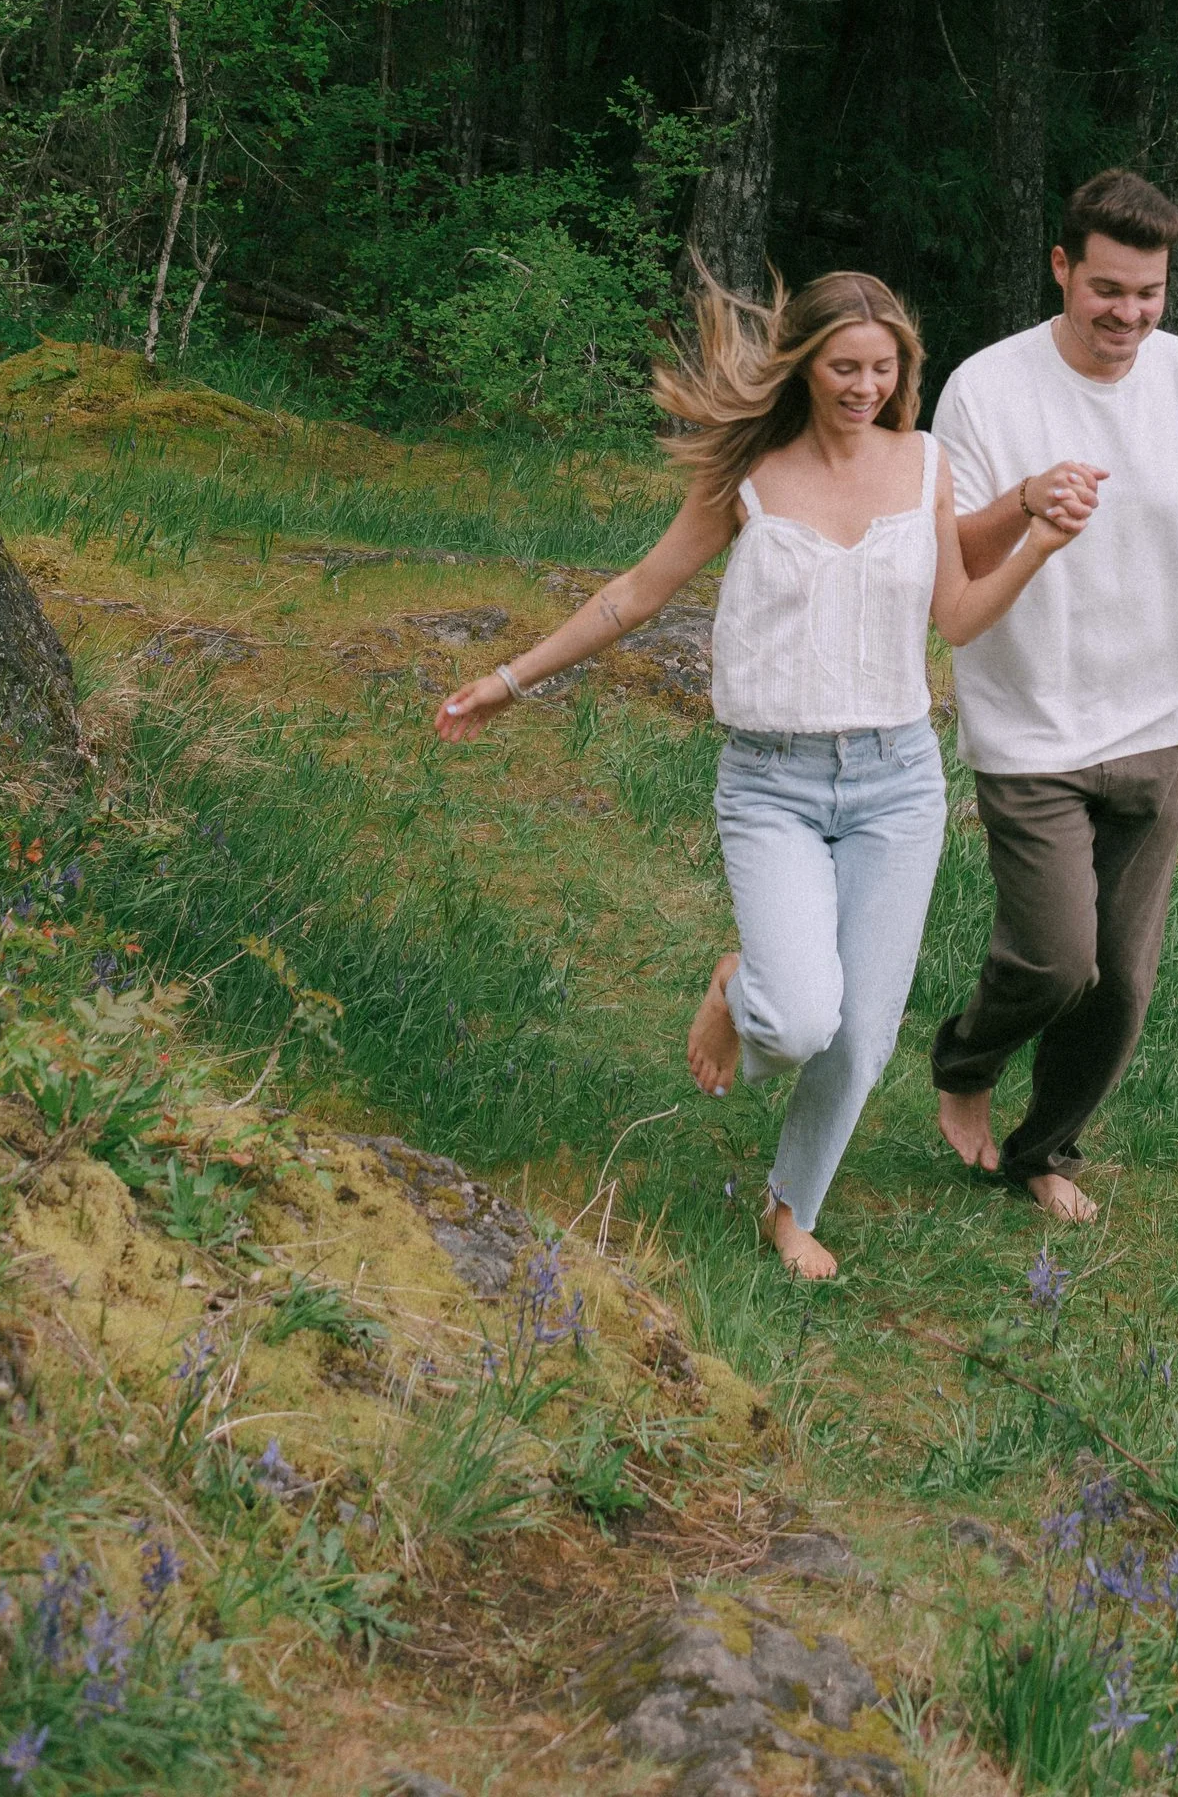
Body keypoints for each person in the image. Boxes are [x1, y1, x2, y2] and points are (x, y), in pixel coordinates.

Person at [436, 269, 1090, 1283]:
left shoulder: (926, 466)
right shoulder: (746, 472)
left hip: (896, 783)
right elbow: (637, 593)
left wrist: (1039, 542)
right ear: (803, 363)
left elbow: (955, 619)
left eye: (882, 368)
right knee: (795, 1020)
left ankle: (790, 1207)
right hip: (773, 782)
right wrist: (508, 679)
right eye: (843, 366)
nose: (863, 385)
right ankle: (743, 988)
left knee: (860, 1038)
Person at [928, 166, 1178, 1224]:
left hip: (1159, 725)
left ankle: (1042, 1149)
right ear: (1061, 267)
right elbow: (948, 557)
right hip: (1028, 721)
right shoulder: (987, 386)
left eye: (1148, 293)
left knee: (1119, 986)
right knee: (1055, 956)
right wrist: (1023, 501)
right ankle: (966, 1059)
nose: (1128, 314)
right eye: (1107, 288)